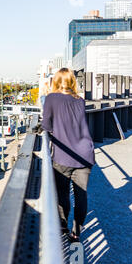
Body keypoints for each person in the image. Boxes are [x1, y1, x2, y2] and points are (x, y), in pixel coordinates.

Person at [41, 68, 95, 242]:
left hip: (63, 155)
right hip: (85, 154)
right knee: (81, 195)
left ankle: (62, 226)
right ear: (72, 81)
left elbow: (46, 125)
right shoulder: (80, 100)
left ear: (55, 81)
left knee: (63, 194)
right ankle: (76, 232)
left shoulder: (50, 98)